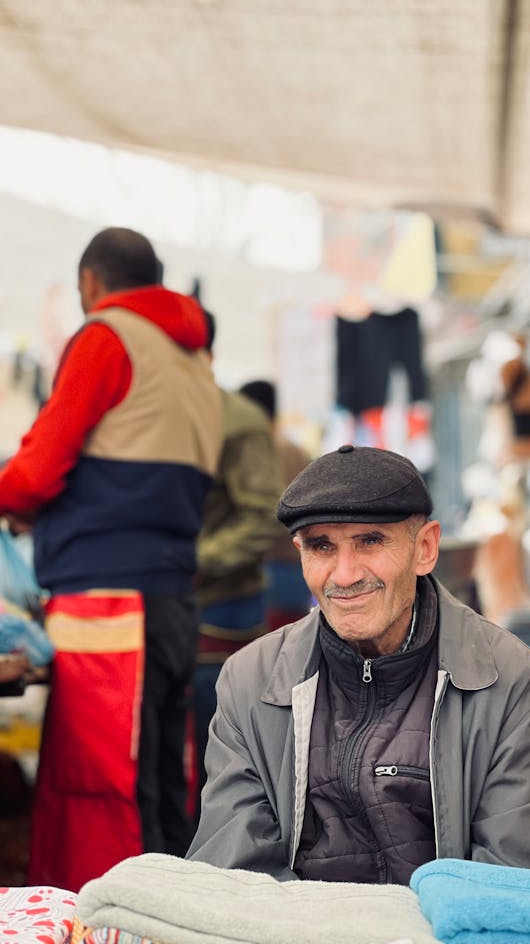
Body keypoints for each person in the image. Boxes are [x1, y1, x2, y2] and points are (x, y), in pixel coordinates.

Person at [187, 444, 530, 884]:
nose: (345, 574)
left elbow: (513, 884)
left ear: (425, 548)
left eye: (370, 541)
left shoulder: (509, 681)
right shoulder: (249, 681)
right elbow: (234, 875)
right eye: (322, 547)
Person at [0, 227, 222, 891]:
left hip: (107, 606)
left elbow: (39, 468)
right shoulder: (194, 359)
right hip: (172, 602)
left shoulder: (106, 337)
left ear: (90, 284)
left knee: (101, 792)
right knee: (157, 786)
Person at [192, 331, 284, 818]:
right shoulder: (164, 416)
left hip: (224, 606)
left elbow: (262, 515)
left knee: (223, 752)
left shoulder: (237, 422)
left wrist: (195, 561)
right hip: (177, 606)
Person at [239, 379, 313, 631]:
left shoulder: (253, 451)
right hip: (298, 566)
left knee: (264, 653)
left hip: (264, 568)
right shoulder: (297, 451)